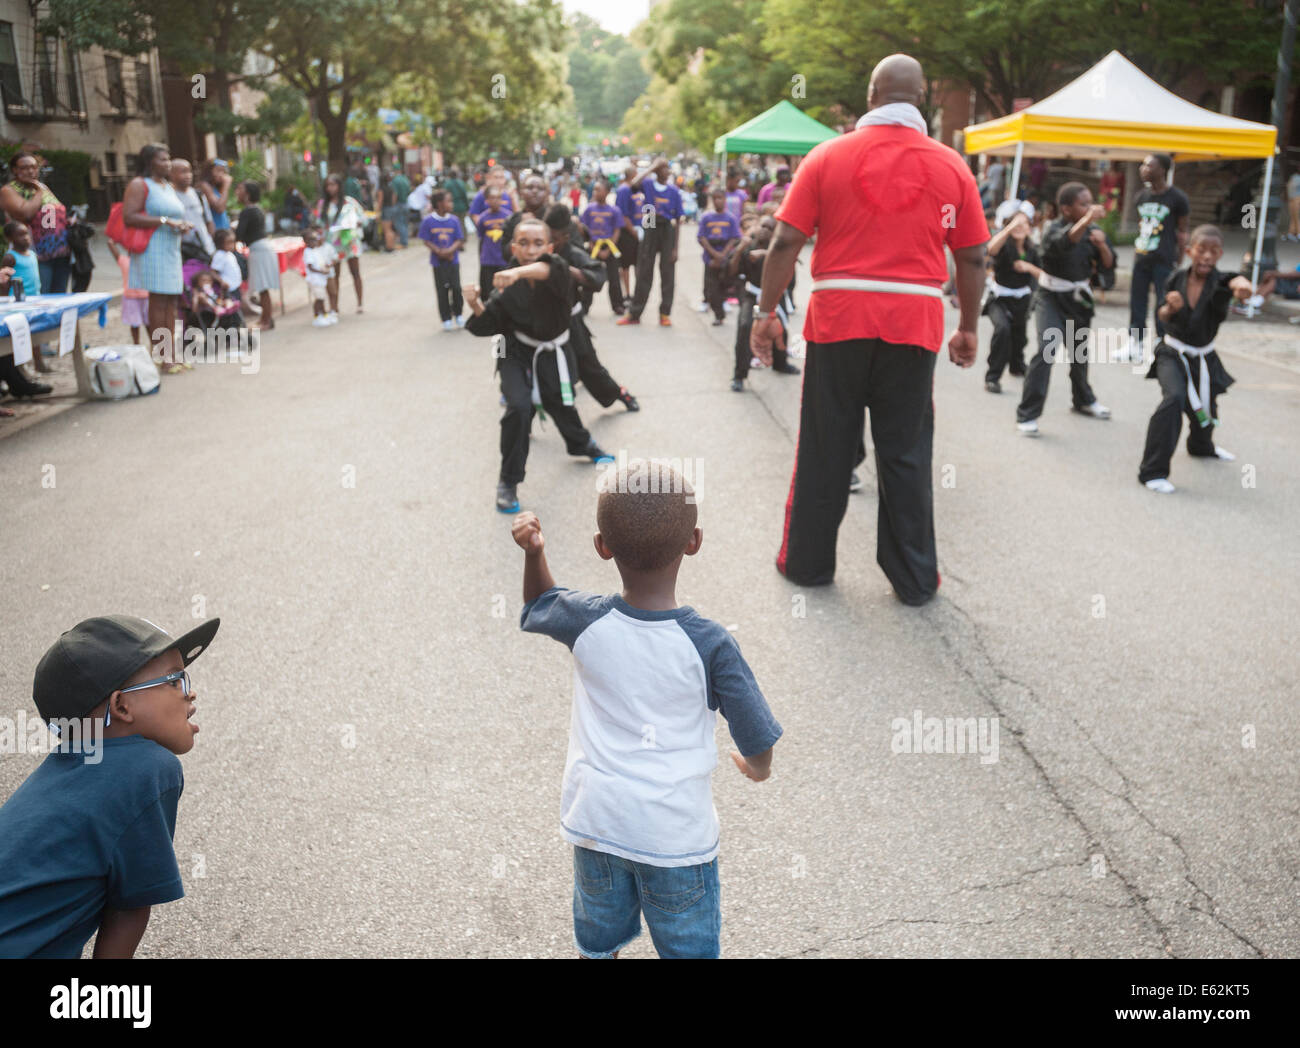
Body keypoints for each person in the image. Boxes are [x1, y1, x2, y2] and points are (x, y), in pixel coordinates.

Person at [511, 458, 782, 959]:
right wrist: (756, 768)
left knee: (599, 939)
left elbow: (537, 604)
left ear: (601, 546)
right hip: (676, 840)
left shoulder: (584, 621)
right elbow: (756, 735)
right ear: (693, 541)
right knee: (687, 947)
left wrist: (535, 552)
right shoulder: (710, 644)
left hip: (599, 825)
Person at [750, 53, 988, 602]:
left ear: (869, 97)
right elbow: (972, 257)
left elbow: (786, 241)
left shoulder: (825, 156)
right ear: (923, 97)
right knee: (904, 452)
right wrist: (969, 327)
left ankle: (808, 565)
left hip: (838, 320)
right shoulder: (951, 165)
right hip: (914, 323)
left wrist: (765, 315)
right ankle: (913, 580)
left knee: (825, 446)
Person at [0, 614, 219, 958]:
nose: (190, 692)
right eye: (175, 680)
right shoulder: (148, 768)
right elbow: (128, 908)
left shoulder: (61, 774)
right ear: (121, 705)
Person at [463, 214, 614, 513]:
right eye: (523, 243)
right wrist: (475, 304)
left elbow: (547, 269)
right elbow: (490, 322)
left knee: (560, 401)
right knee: (518, 407)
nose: (531, 249)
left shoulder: (556, 270)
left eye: (538, 243)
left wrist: (518, 274)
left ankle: (582, 444)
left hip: (554, 350)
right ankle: (508, 482)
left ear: (550, 246)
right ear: (513, 247)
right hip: (516, 351)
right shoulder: (507, 279)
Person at [1138, 225, 1251, 494]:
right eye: (1202, 250)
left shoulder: (1221, 282)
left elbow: (1237, 283)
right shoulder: (1175, 279)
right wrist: (1169, 308)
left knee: (1207, 404)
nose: (1207, 256)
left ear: (1220, 254)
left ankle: (1202, 447)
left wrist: (1243, 285)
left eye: (1214, 252)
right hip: (1172, 352)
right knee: (1174, 398)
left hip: (1204, 355)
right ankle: (1152, 472)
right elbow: (1162, 317)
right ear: (1190, 251)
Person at [1015, 182, 1113, 435]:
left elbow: (1108, 264)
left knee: (1079, 353)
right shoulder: (1053, 229)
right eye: (1083, 204)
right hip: (1050, 297)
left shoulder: (1092, 230)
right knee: (1047, 350)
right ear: (1066, 209)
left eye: (1091, 202)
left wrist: (1102, 245)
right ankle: (1027, 414)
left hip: (1078, 300)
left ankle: (1083, 400)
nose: (1090, 208)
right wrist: (1088, 220)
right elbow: (1064, 243)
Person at [544, 204, 639, 413]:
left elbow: (597, 276)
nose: (547, 243)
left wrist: (568, 271)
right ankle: (524, 415)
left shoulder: (572, 253)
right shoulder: (537, 251)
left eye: (552, 238)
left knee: (590, 367)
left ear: (564, 237)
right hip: (544, 324)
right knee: (537, 372)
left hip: (571, 322)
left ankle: (620, 393)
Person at [122, 143, 191, 373]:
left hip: (171, 248)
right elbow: (129, 217)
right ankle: (162, 355)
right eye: (163, 159)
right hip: (152, 249)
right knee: (159, 301)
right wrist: (164, 221)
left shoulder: (167, 186)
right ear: (150, 161)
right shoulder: (140, 185)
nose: (168, 163)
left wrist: (180, 225)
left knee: (172, 303)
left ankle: (172, 353)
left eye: (168, 158)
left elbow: (173, 215)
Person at [1129, 153, 1189, 354]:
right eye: (1143, 165)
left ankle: (1161, 341)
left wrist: (1179, 259)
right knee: (1137, 300)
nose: (1143, 169)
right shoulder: (1141, 197)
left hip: (1164, 258)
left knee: (1162, 301)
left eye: (1148, 166)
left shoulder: (1177, 198)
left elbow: (1182, 232)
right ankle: (1135, 342)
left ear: (1162, 170)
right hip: (1142, 255)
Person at [730, 216, 799, 391]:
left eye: (770, 228)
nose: (765, 230)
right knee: (745, 326)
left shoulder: (778, 250)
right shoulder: (748, 247)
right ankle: (739, 375)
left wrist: (764, 254)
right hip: (752, 294)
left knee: (781, 327)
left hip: (774, 294)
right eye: (763, 226)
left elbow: (789, 270)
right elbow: (731, 272)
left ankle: (780, 363)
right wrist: (739, 250)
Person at [982, 206, 1039, 393]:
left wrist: (1029, 268)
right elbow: (990, 249)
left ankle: (1017, 365)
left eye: (1024, 223)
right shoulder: (1004, 246)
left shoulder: (1033, 250)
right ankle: (993, 377)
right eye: (1016, 223)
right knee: (1003, 330)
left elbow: (1044, 275)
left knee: (1019, 336)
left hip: (1022, 299)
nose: (1020, 227)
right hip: (999, 298)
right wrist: (1008, 228)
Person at [619, 158, 682, 327]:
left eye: (667, 168)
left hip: (667, 227)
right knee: (644, 271)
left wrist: (676, 248)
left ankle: (664, 314)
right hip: (650, 221)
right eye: (662, 169)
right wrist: (652, 166)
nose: (666, 171)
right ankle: (634, 313)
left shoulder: (674, 191)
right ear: (656, 171)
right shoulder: (647, 184)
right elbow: (633, 185)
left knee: (668, 273)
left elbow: (678, 221)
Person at [0, 152, 72, 293]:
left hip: (60, 252)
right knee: (41, 295)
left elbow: (57, 210)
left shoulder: (43, 187)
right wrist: (38, 190)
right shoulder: (8, 190)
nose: (31, 171)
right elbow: (26, 213)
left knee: (59, 297)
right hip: (35, 254)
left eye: (34, 167)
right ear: (15, 170)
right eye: (25, 167)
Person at [418, 189, 465, 330]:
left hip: (453, 261)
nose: (451, 204)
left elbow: (459, 239)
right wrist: (438, 251)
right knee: (442, 290)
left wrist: (450, 251)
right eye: (448, 201)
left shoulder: (454, 220)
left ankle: (458, 314)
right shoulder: (428, 221)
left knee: (456, 288)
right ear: (439, 204)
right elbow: (425, 240)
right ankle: (446, 318)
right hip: (438, 263)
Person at [235, 180, 279, 332]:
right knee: (263, 286)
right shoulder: (257, 209)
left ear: (247, 194)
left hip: (258, 250)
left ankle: (266, 320)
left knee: (263, 287)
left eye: (239, 189)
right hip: (262, 248)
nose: (237, 192)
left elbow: (239, 234)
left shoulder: (247, 211)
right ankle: (265, 318)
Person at [318, 174, 365, 314]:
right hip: (333, 244)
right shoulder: (323, 204)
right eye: (328, 185)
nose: (331, 188)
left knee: (355, 272)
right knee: (334, 275)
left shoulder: (349, 202)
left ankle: (360, 303)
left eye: (333, 184)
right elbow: (320, 224)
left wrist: (356, 223)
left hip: (349, 241)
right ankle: (334, 305)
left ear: (339, 186)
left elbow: (362, 217)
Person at [579, 179, 626, 314]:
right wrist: (593, 247)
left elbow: (617, 230)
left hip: (609, 248)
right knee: (589, 277)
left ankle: (617, 305)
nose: (595, 192)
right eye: (594, 189)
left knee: (614, 279)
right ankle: (585, 306)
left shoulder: (614, 210)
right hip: (593, 248)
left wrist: (608, 250)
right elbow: (584, 228)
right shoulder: (589, 209)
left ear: (607, 192)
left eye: (598, 189)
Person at [698, 187, 741, 326]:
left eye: (720, 198)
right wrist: (714, 254)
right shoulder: (706, 217)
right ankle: (718, 314)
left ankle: (724, 306)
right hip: (710, 258)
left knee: (724, 286)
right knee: (712, 288)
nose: (717, 201)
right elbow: (701, 237)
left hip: (726, 257)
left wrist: (723, 255)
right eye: (715, 198)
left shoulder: (731, 218)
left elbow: (735, 238)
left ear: (725, 200)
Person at [169, 159, 215, 261]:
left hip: (205, 249)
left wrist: (210, 241)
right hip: (183, 252)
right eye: (183, 172)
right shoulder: (169, 196)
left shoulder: (198, 195)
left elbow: (209, 221)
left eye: (189, 171)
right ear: (171, 174)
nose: (188, 175)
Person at [107, 238, 148, 344]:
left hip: (131, 298)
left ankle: (136, 344)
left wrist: (122, 239)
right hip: (145, 297)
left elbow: (110, 243)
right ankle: (152, 344)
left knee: (135, 324)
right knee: (149, 324)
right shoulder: (147, 262)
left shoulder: (125, 261)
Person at [612, 164, 643, 303]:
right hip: (628, 234)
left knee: (639, 264)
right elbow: (623, 216)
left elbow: (648, 209)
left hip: (639, 232)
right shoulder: (624, 190)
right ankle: (628, 294)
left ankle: (638, 293)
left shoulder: (637, 190)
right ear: (632, 176)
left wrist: (648, 229)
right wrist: (635, 233)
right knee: (625, 266)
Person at [473, 184, 513, 291]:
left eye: (498, 197)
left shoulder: (508, 216)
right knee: (488, 289)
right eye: (492, 198)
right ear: (486, 200)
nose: (495, 201)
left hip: (503, 260)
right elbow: (481, 235)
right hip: (488, 260)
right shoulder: (483, 218)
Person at [303, 226, 339, 327]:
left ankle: (328, 313)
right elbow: (310, 267)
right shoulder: (308, 251)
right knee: (319, 298)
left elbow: (332, 259)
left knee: (328, 295)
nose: (316, 240)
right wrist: (321, 271)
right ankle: (317, 316)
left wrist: (327, 266)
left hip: (322, 278)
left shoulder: (320, 249)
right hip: (316, 279)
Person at [196, 159, 233, 231]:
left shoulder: (215, 188)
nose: (222, 174)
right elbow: (219, 208)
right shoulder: (204, 185)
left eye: (223, 171)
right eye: (218, 170)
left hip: (223, 230)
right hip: (215, 231)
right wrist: (226, 186)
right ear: (209, 171)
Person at [209, 229, 243, 304]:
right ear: (220, 243)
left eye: (233, 242)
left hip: (235, 286)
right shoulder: (219, 255)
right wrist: (222, 282)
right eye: (229, 243)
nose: (232, 245)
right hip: (228, 289)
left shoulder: (229, 254)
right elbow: (213, 272)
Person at [444, 166, 471, 235]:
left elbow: (444, 196)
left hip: (452, 207)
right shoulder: (461, 183)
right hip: (462, 206)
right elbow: (465, 196)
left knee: (452, 223)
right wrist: (467, 206)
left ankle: (454, 237)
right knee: (462, 223)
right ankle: (463, 238)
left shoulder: (447, 184)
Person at [388, 168, 411, 248]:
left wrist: (392, 204)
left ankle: (404, 242)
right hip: (405, 203)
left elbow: (395, 194)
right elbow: (409, 191)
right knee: (404, 223)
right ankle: (405, 240)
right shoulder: (405, 179)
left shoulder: (395, 181)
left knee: (399, 223)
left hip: (398, 204)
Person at [1287, 166, 1300, 242]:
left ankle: (1296, 233)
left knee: (1296, 217)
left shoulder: (1294, 177)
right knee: (1294, 217)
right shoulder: (1294, 177)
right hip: (1293, 199)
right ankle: (1292, 233)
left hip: (1296, 199)